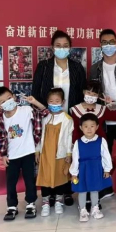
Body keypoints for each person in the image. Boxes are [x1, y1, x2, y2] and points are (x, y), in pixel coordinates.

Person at [33, 30, 86, 207]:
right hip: (49, 119)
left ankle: (67, 191)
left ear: (70, 48)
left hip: (70, 118)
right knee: (50, 155)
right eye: (58, 46)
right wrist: (42, 115)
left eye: (65, 46)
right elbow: (36, 93)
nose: (62, 49)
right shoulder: (44, 67)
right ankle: (50, 191)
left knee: (68, 153)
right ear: (52, 47)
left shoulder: (77, 68)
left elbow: (82, 94)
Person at [0, 86, 46, 221]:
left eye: (9, 98)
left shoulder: (26, 110)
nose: (8, 102)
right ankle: (12, 206)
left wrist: (34, 102)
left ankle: (31, 204)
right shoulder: (1, 119)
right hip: (12, 156)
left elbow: (45, 113)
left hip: (28, 153)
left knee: (30, 181)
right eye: (3, 101)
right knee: (11, 182)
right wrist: (4, 155)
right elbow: (2, 138)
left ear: (14, 97)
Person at [69, 80, 116, 210]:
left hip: (99, 144)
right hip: (82, 145)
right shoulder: (75, 109)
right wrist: (73, 146)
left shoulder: (101, 109)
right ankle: (84, 199)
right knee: (83, 171)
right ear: (83, 92)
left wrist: (111, 104)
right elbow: (74, 130)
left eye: (94, 94)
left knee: (98, 170)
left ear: (98, 96)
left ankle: (96, 198)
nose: (90, 95)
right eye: (88, 92)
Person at [36, 88, 74, 217]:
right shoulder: (45, 117)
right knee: (45, 178)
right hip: (46, 154)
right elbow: (39, 135)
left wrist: (68, 154)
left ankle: (58, 201)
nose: (54, 103)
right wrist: (37, 151)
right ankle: (45, 202)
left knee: (60, 178)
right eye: (51, 101)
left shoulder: (67, 119)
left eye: (57, 101)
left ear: (63, 102)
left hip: (60, 154)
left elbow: (69, 138)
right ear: (47, 102)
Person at [70, 113, 113, 222]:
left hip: (96, 169)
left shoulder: (101, 141)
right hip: (83, 170)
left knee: (94, 189)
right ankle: (82, 210)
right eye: (86, 126)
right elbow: (75, 158)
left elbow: (106, 155)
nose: (89, 129)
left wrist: (107, 169)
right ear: (81, 128)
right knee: (82, 190)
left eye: (92, 126)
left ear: (97, 127)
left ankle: (95, 208)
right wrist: (74, 173)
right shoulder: (78, 142)